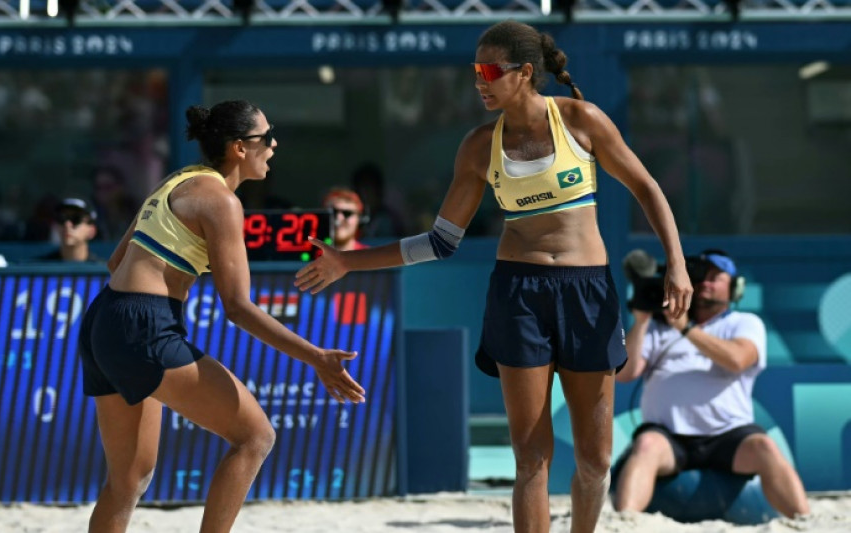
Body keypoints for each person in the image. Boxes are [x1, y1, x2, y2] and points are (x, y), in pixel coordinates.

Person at [295, 20, 692, 533]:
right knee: (530, 457)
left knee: (595, 463)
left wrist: (676, 263)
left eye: (488, 71)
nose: (478, 82)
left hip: (587, 292)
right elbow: (439, 242)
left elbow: (648, 188)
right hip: (519, 294)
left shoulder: (581, 119)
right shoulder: (480, 146)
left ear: (525, 73)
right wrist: (350, 260)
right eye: (474, 72)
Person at [78, 100, 365, 533]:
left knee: (128, 480)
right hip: (145, 325)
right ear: (238, 148)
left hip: (104, 318)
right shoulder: (222, 203)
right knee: (255, 437)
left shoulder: (178, 179)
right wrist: (316, 356)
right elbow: (238, 308)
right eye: (265, 138)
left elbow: (115, 260)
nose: (273, 144)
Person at [613, 250, 809, 518]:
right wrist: (641, 321)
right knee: (646, 445)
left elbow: (738, 360)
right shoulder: (660, 327)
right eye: (699, 277)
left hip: (727, 435)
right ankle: (625, 522)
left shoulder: (745, 323)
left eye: (715, 277)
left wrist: (686, 330)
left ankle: (804, 521)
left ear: (735, 287)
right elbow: (625, 374)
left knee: (765, 447)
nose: (705, 283)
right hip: (669, 437)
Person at [35, 198, 103, 263]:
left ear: (91, 231)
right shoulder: (39, 270)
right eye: (62, 218)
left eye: (76, 219)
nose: (67, 224)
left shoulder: (104, 272)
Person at [322, 187, 369, 251]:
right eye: (333, 212)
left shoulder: (370, 257)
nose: (339, 218)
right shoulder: (311, 257)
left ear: (359, 219)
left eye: (347, 213)